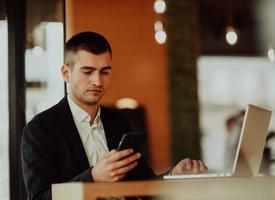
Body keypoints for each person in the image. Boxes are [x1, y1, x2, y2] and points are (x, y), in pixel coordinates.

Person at [21, 31, 207, 200]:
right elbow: (40, 197)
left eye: (105, 72)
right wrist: (93, 177)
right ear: (66, 73)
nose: (97, 81)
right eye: (88, 71)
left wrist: (174, 175)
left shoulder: (119, 123)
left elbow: (143, 185)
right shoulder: (40, 129)